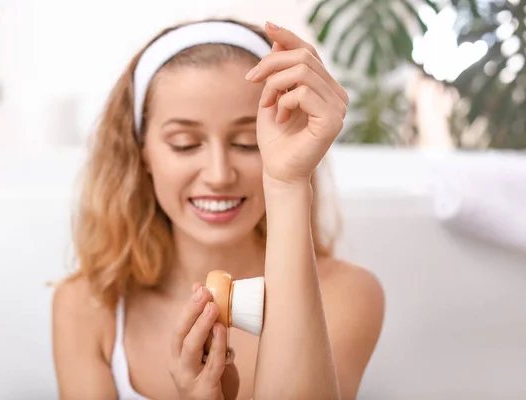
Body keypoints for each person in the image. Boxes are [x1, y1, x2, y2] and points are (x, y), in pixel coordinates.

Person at [52, 18, 385, 400]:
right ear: (141, 151)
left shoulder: (346, 294)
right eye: (184, 143)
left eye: (246, 143)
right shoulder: (86, 306)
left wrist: (289, 182)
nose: (219, 175)